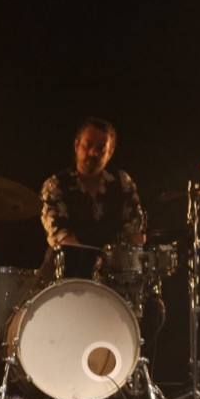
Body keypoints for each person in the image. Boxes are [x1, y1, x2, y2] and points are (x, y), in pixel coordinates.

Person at [39, 116, 146, 282]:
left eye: (101, 148)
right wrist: (93, 262)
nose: (93, 153)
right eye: (88, 145)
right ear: (76, 145)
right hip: (66, 279)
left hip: (113, 280)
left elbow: (134, 233)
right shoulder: (55, 186)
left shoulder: (123, 182)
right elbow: (61, 238)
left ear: (110, 152)